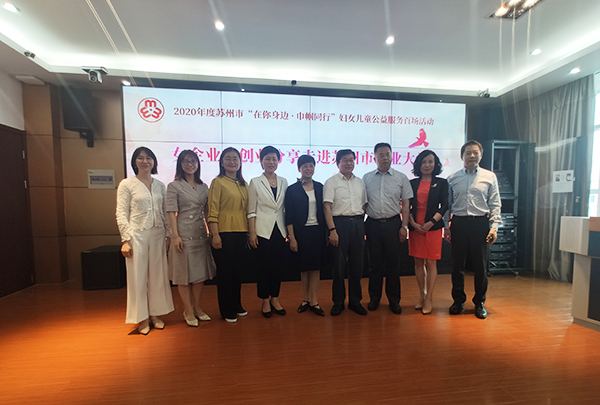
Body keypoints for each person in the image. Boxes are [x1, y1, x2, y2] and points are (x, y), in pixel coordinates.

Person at [116, 146, 174, 335]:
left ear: (154, 162)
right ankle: (142, 318)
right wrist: (126, 239)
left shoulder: (160, 185)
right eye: (140, 158)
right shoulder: (127, 184)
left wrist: (168, 235)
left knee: (158, 276)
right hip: (136, 235)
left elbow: (165, 212)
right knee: (138, 277)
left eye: (149, 158)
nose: (145, 161)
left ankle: (155, 314)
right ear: (135, 161)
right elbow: (121, 213)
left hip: (158, 234)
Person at [444, 140, 501, 319]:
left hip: (480, 224)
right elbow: (447, 205)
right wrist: (446, 226)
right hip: (459, 223)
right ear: (462, 156)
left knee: (480, 266)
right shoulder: (452, 178)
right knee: (457, 266)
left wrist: (494, 227)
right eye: (468, 153)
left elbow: (495, 204)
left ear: (481, 155)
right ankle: (458, 301)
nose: (472, 156)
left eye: (475, 152)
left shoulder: (489, 177)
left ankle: (479, 302)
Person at [166, 150, 216, 327]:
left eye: (193, 161)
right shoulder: (174, 186)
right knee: (183, 275)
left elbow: (207, 211)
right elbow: (171, 212)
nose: (190, 164)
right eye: (186, 161)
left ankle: (197, 307)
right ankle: (187, 310)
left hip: (200, 233)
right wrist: (175, 236)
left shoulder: (203, 186)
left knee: (199, 275)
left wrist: (211, 232)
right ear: (180, 164)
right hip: (183, 233)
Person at [363, 142, 413, 315]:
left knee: (393, 265)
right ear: (374, 157)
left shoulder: (401, 178)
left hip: (393, 224)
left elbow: (406, 205)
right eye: (381, 155)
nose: (385, 158)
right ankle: (374, 298)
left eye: (388, 154)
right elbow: (363, 204)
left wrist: (404, 226)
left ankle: (394, 300)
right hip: (373, 224)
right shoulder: (366, 178)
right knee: (374, 265)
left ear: (392, 156)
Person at [323, 149, 368, 316]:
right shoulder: (331, 182)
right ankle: (338, 302)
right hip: (339, 225)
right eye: (345, 160)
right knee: (338, 267)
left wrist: (358, 224)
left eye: (351, 160)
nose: (349, 163)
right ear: (338, 163)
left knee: (357, 267)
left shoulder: (360, 182)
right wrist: (332, 230)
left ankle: (355, 301)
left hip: (357, 224)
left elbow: (364, 206)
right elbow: (327, 207)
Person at [207, 147, 249, 323]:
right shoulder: (218, 182)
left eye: (235, 158)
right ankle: (226, 309)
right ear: (222, 163)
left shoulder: (244, 184)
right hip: (223, 232)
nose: (232, 162)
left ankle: (237, 304)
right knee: (225, 273)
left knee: (237, 272)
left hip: (241, 231)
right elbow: (212, 210)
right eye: (228, 158)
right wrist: (215, 234)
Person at [247, 146, 289, 318]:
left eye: (274, 159)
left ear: (278, 161)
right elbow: (251, 210)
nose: (271, 162)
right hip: (262, 230)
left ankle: (275, 298)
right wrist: (252, 233)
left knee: (278, 267)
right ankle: (265, 300)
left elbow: (285, 208)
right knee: (264, 267)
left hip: (280, 230)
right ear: (261, 161)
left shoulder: (284, 181)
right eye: (267, 159)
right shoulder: (255, 182)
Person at [285, 155, 327, 317]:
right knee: (304, 268)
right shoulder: (292, 189)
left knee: (315, 268)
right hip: (300, 233)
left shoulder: (321, 187)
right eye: (305, 166)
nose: (308, 169)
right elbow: (289, 216)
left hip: (317, 232)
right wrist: (292, 238)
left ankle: (314, 301)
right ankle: (305, 299)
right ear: (299, 169)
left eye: (311, 165)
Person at [408, 150, 448, 315]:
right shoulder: (412, 183)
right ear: (419, 164)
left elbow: (444, 206)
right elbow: (407, 206)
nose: (427, 165)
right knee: (418, 262)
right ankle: (421, 295)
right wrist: (413, 223)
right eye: (423, 162)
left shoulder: (442, 183)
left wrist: (431, 223)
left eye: (430, 162)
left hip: (433, 228)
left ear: (435, 164)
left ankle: (429, 298)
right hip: (416, 228)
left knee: (431, 263)